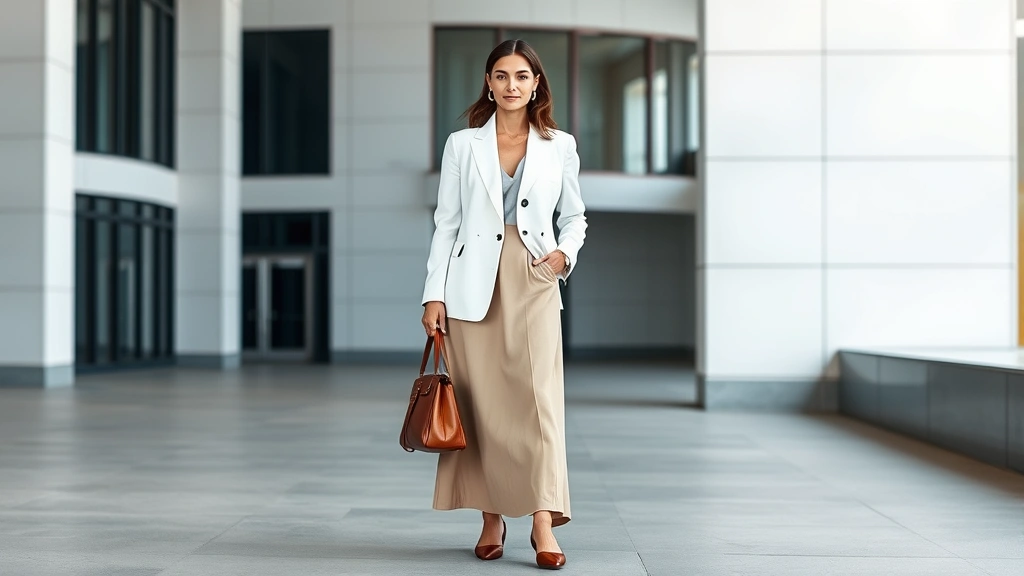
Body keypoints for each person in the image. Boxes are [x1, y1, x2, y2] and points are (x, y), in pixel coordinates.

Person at [420, 39, 587, 570]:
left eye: (521, 76)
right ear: (488, 84)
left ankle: (542, 520)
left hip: (533, 277)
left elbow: (575, 216)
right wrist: (433, 293)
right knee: (483, 406)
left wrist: (563, 255)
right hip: (472, 284)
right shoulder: (461, 145)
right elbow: (446, 223)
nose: (511, 85)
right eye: (501, 75)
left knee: (539, 405)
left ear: (536, 84)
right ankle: (490, 517)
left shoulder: (560, 145)